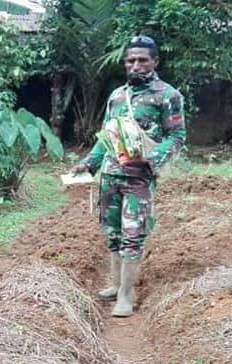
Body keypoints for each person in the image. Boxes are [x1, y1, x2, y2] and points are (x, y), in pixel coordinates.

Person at [71, 35, 186, 317]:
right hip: (110, 175)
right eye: (130, 61)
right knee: (113, 233)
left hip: (139, 179)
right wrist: (89, 164)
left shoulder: (167, 95)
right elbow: (106, 136)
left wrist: (153, 158)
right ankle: (115, 283)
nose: (135, 65)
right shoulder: (117, 96)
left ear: (154, 62)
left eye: (142, 60)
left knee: (133, 234)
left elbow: (177, 136)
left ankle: (126, 293)